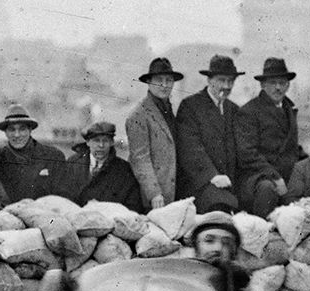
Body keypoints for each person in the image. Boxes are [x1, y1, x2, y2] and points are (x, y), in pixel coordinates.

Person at [236, 57, 307, 216]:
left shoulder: (289, 109)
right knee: (268, 189)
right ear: (262, 85)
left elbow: (293, 148)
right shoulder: (249, 112)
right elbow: (247, 154)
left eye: (282, 83)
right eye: (273, 83)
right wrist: (275, 177)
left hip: (285, 176)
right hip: (258, 178)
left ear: (288, 85)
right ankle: (261, 232)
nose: (278, 88)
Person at [177, 54, 245, 212]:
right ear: (209, 80)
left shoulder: (234, 110)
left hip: (228, 184)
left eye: (231, 81)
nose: (227, 86)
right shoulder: (190, 106)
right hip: (199, 185)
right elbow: (190, 148)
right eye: (222, 80)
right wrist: (212, 175)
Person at [125, 57, 181, 210]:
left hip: (174, 190)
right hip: (154, 197)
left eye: (169, 80)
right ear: (149, 82)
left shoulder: (168, 110)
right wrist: (154, 192)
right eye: (159, 80)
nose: (164, 85)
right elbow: (139, 158)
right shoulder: (138, 115)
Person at [0, 104, 66, 202]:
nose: (17, 135)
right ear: (5, 132)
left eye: (22, 129)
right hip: (5, 215)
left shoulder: (53, 156)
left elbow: (62, 198)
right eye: (12, 129)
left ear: (30, 130)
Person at [59, 121, 142, 211]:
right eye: (96, 141)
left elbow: (133, 205)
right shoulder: (73, 164)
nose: (101, 145)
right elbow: (63, 197)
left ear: (112, 143)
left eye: (105, 141)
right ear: (88, 142)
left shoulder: (124, 170)